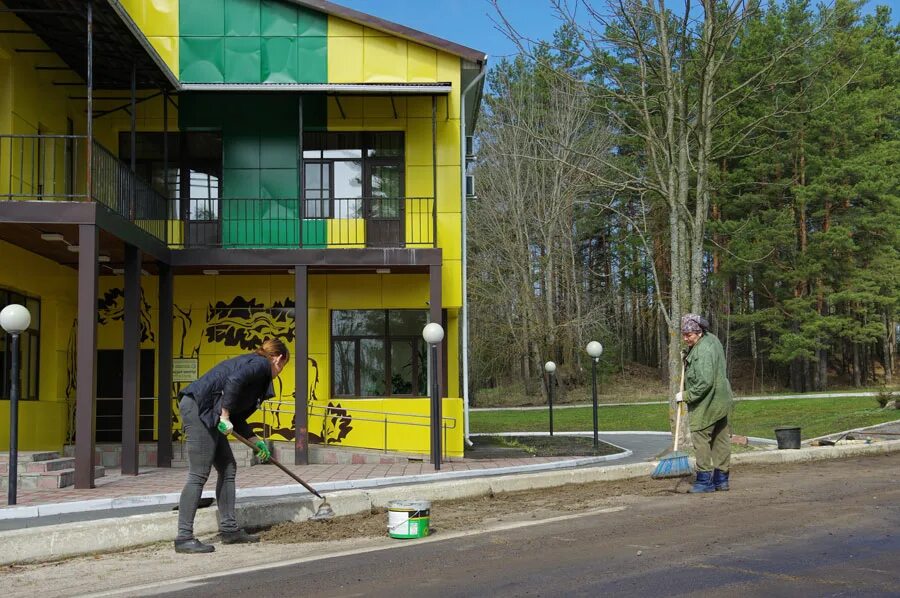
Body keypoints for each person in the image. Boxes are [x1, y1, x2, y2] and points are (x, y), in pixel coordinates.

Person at [174, 338, 289, 553]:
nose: (281, 371)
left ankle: (229, 530)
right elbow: (234, 382)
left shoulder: (256, 372)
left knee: (228, 467)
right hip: (199, 408)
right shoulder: (260, 364)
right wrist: (225, 415)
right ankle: (183, 537)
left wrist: (255, 441)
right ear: (278, 359)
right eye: (283, 366)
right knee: (199, 473)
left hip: (209, 412)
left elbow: (236, 412)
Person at [676, 314, 733, 493]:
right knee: (720, 439)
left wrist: (685, 395)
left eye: (689, 335)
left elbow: (704, 382)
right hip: (722, 401)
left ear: (699, 332)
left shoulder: (703, 351)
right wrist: (688, 353)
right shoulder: (712, 340)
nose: (685, 338)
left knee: (700, 437)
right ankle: (721, 480)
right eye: (683, 334)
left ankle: (704, 481)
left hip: (708, 403)